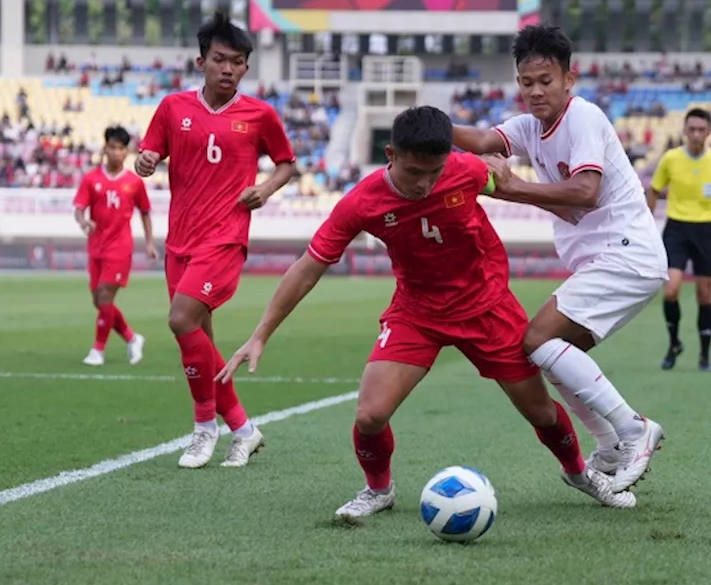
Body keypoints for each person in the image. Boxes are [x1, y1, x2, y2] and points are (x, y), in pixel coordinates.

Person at [217, 106, 635, 518]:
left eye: (434, 172)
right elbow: (308, 267)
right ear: (391, 155)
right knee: (370, 414)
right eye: (415, 172)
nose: (425, 183)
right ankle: (378, 490)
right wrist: (261, 333)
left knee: (541, 412)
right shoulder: (361, 202)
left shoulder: (466, 170)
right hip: (417, 312)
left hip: (487, 306)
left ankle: (580, 474)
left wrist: (553, 201)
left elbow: (511, 185)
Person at [452, 24, 667, 493]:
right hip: (611, 261)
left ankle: (633, 430)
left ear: (569, 79)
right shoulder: (531, 127)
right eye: (526, 83)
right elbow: (485, 142)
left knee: (536, 339)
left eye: (545, 81)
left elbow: (586, 193)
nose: (534, 92)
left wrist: (511, 188)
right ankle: (609, 445)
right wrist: (434, 129)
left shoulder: (582, 117)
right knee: (552, 355)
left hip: (626, 254)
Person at [136, 12, 297, 470]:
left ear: (247, 68)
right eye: (220, 59)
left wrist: (265, 189)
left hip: (224, 238)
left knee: (181, 318)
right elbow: (148, 153)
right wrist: (145, 162)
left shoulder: (260, 115)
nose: (228, 69)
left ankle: (204, 427)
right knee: (197, 338)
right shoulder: (172, 108)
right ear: (201, 61)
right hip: (179, 242)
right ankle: (243, 429)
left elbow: (286, 163)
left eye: (238, 62)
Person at [646, 107, 711, 371]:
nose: (696, 134)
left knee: (704, 294)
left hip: (705, 230)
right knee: (671, 290)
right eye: (692, 129)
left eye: (701, 129)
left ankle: (704, 355)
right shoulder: (671, 159)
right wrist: (646, 225)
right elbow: (653, 191)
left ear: (708, 131)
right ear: (684, 131)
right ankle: (674, 342)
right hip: (676, 229)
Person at [73, 125, 155, 366]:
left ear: (127, 152)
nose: (115, 152)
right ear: (105, 148)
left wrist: (149, 242)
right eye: (112, 147)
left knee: (105, 296)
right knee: (99, 301)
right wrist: (83, 222)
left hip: (120, 248)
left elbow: (146, 212)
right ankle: (132, 338)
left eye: (120, 148)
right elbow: (78, 208)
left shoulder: (134, 182)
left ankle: (97, 350)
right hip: (96, 247)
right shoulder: (91, 179)